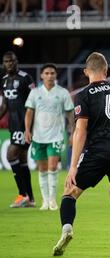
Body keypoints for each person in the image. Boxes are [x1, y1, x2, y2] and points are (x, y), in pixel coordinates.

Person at [52, 52, 110, 257]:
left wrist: (73, 166)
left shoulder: (83, 95)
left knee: (70, 192)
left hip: (97, 152)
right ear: (106, 70)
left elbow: (80, 131)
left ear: (86, 72)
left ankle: (67, 229)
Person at [24, 63, 74, 211]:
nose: (50, 76)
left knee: (53, 166)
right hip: (38, 136)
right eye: (47, 73)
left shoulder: (63, 92)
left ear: (56, 75)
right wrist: (27, 130)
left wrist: (73, 132)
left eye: (52, 73)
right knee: (42, 168)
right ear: (42, 75)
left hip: (56, 135)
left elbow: (70, 113)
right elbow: (29, 113)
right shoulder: (35, 93)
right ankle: (44, 201)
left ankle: (52, 200)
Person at [0, 51, 36, 208]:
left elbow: (35, 102)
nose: (9, 64)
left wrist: (30, 127)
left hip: (24, 124)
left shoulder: (25, 78)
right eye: (6, 61)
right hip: (13, 125)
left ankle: (22, 195)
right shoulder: (4, 80)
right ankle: (30, 198)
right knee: (21, 160)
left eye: (12, 61)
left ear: (17, 61)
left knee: (11, 154)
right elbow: (5, 105)